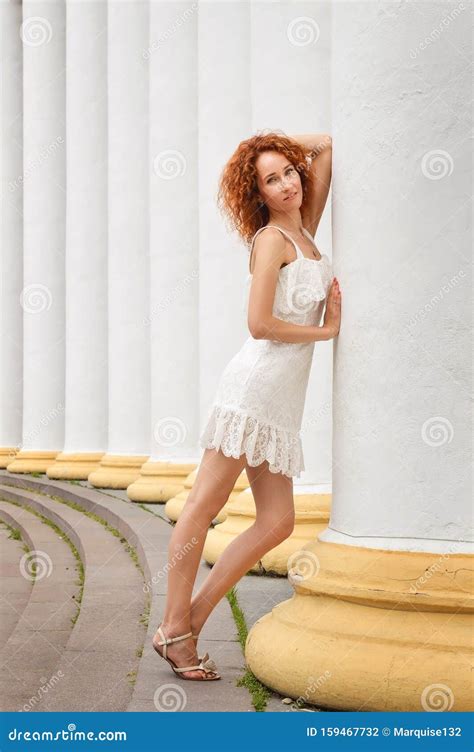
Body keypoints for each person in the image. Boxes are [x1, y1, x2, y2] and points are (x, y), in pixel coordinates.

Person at [153, 131, 341, 680]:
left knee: (278, 522)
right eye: (271, 178)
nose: (287, 184)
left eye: (289, 172)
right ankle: (174, 625)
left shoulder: (305, 228)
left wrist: (271, 143)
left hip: (279, 402)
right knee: (202, 506)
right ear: (257, 193)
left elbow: (324, 148)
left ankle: (190, 619)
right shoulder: (271, 241)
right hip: (253, 389)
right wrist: (325, 331)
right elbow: (259, 324)